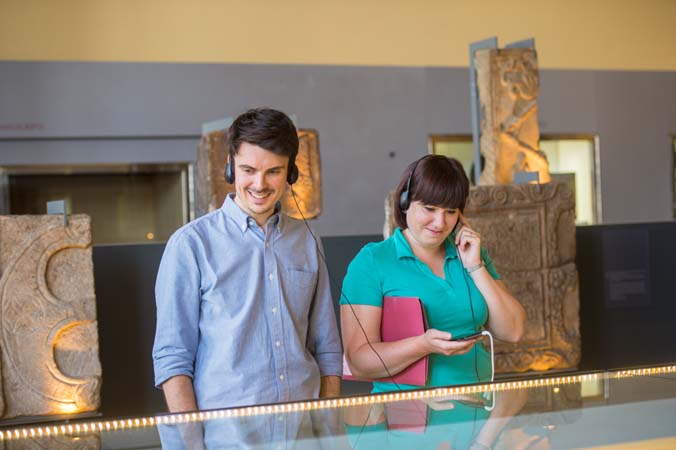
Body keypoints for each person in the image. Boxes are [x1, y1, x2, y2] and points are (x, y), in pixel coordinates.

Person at [153, 108, 342, 413]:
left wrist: (328, 425)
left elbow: (327, 348)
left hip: (303, 433)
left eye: (274, 171)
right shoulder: (190, 245)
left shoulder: (307, 240)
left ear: (291, 172)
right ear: (230, 167)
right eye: (248, 170)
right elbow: (172, 358)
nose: (260, 184)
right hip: (228, 437)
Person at [340, 154, 525, 393]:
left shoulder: (471, 255)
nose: (439, 223)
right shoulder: (372, 261)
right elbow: (359, 362)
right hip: (407, 419)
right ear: (405, 202)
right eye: (429, 208)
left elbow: (513, 331)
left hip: (477, 415)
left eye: (450, 211)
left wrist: (475, 267)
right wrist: (423, 345)